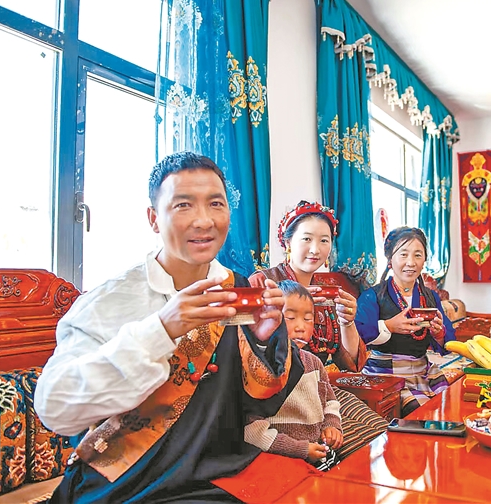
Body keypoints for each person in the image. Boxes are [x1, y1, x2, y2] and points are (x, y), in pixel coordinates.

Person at [34, 152, 300, 503]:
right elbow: (55, 410)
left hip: (221, 472)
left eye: (215, 204)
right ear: (153, 218)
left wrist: (262, 341)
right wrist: (160, 330)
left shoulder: (237, 290)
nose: (204, 221)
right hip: (129, 483)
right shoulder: (109, 301)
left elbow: (261, 404)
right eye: (183, 205)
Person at [248, 200, 366, 372]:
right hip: (273, 382)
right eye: (307, 239)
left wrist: (347, 322)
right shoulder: (262, 282)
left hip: (317, 381)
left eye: (324, 240)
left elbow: (352, 365)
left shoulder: (327, 292)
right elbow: (245, 347)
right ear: (288, 243)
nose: (315, 249)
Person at [355, 226, 455, 417]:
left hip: (422, 371)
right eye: (403, 254)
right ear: (390, 259)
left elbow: (448, 339)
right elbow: (358, 335)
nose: (411, 262)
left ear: (424, 260)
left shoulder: (430, 297)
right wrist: (388, 326)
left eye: (417, 255)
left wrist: (439, 334)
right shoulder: (372, 296)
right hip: (385, 374)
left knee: (448, 410)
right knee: (422, 415)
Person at [244, 280, 343, 471]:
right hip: (280, 454)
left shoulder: (314, 362)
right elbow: (252, 431)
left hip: (317, 448)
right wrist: (299, 449)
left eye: (308, 319)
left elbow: (330, 401)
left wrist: (332, 425)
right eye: (290, 317)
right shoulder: (260, 369)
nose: (301, 327)